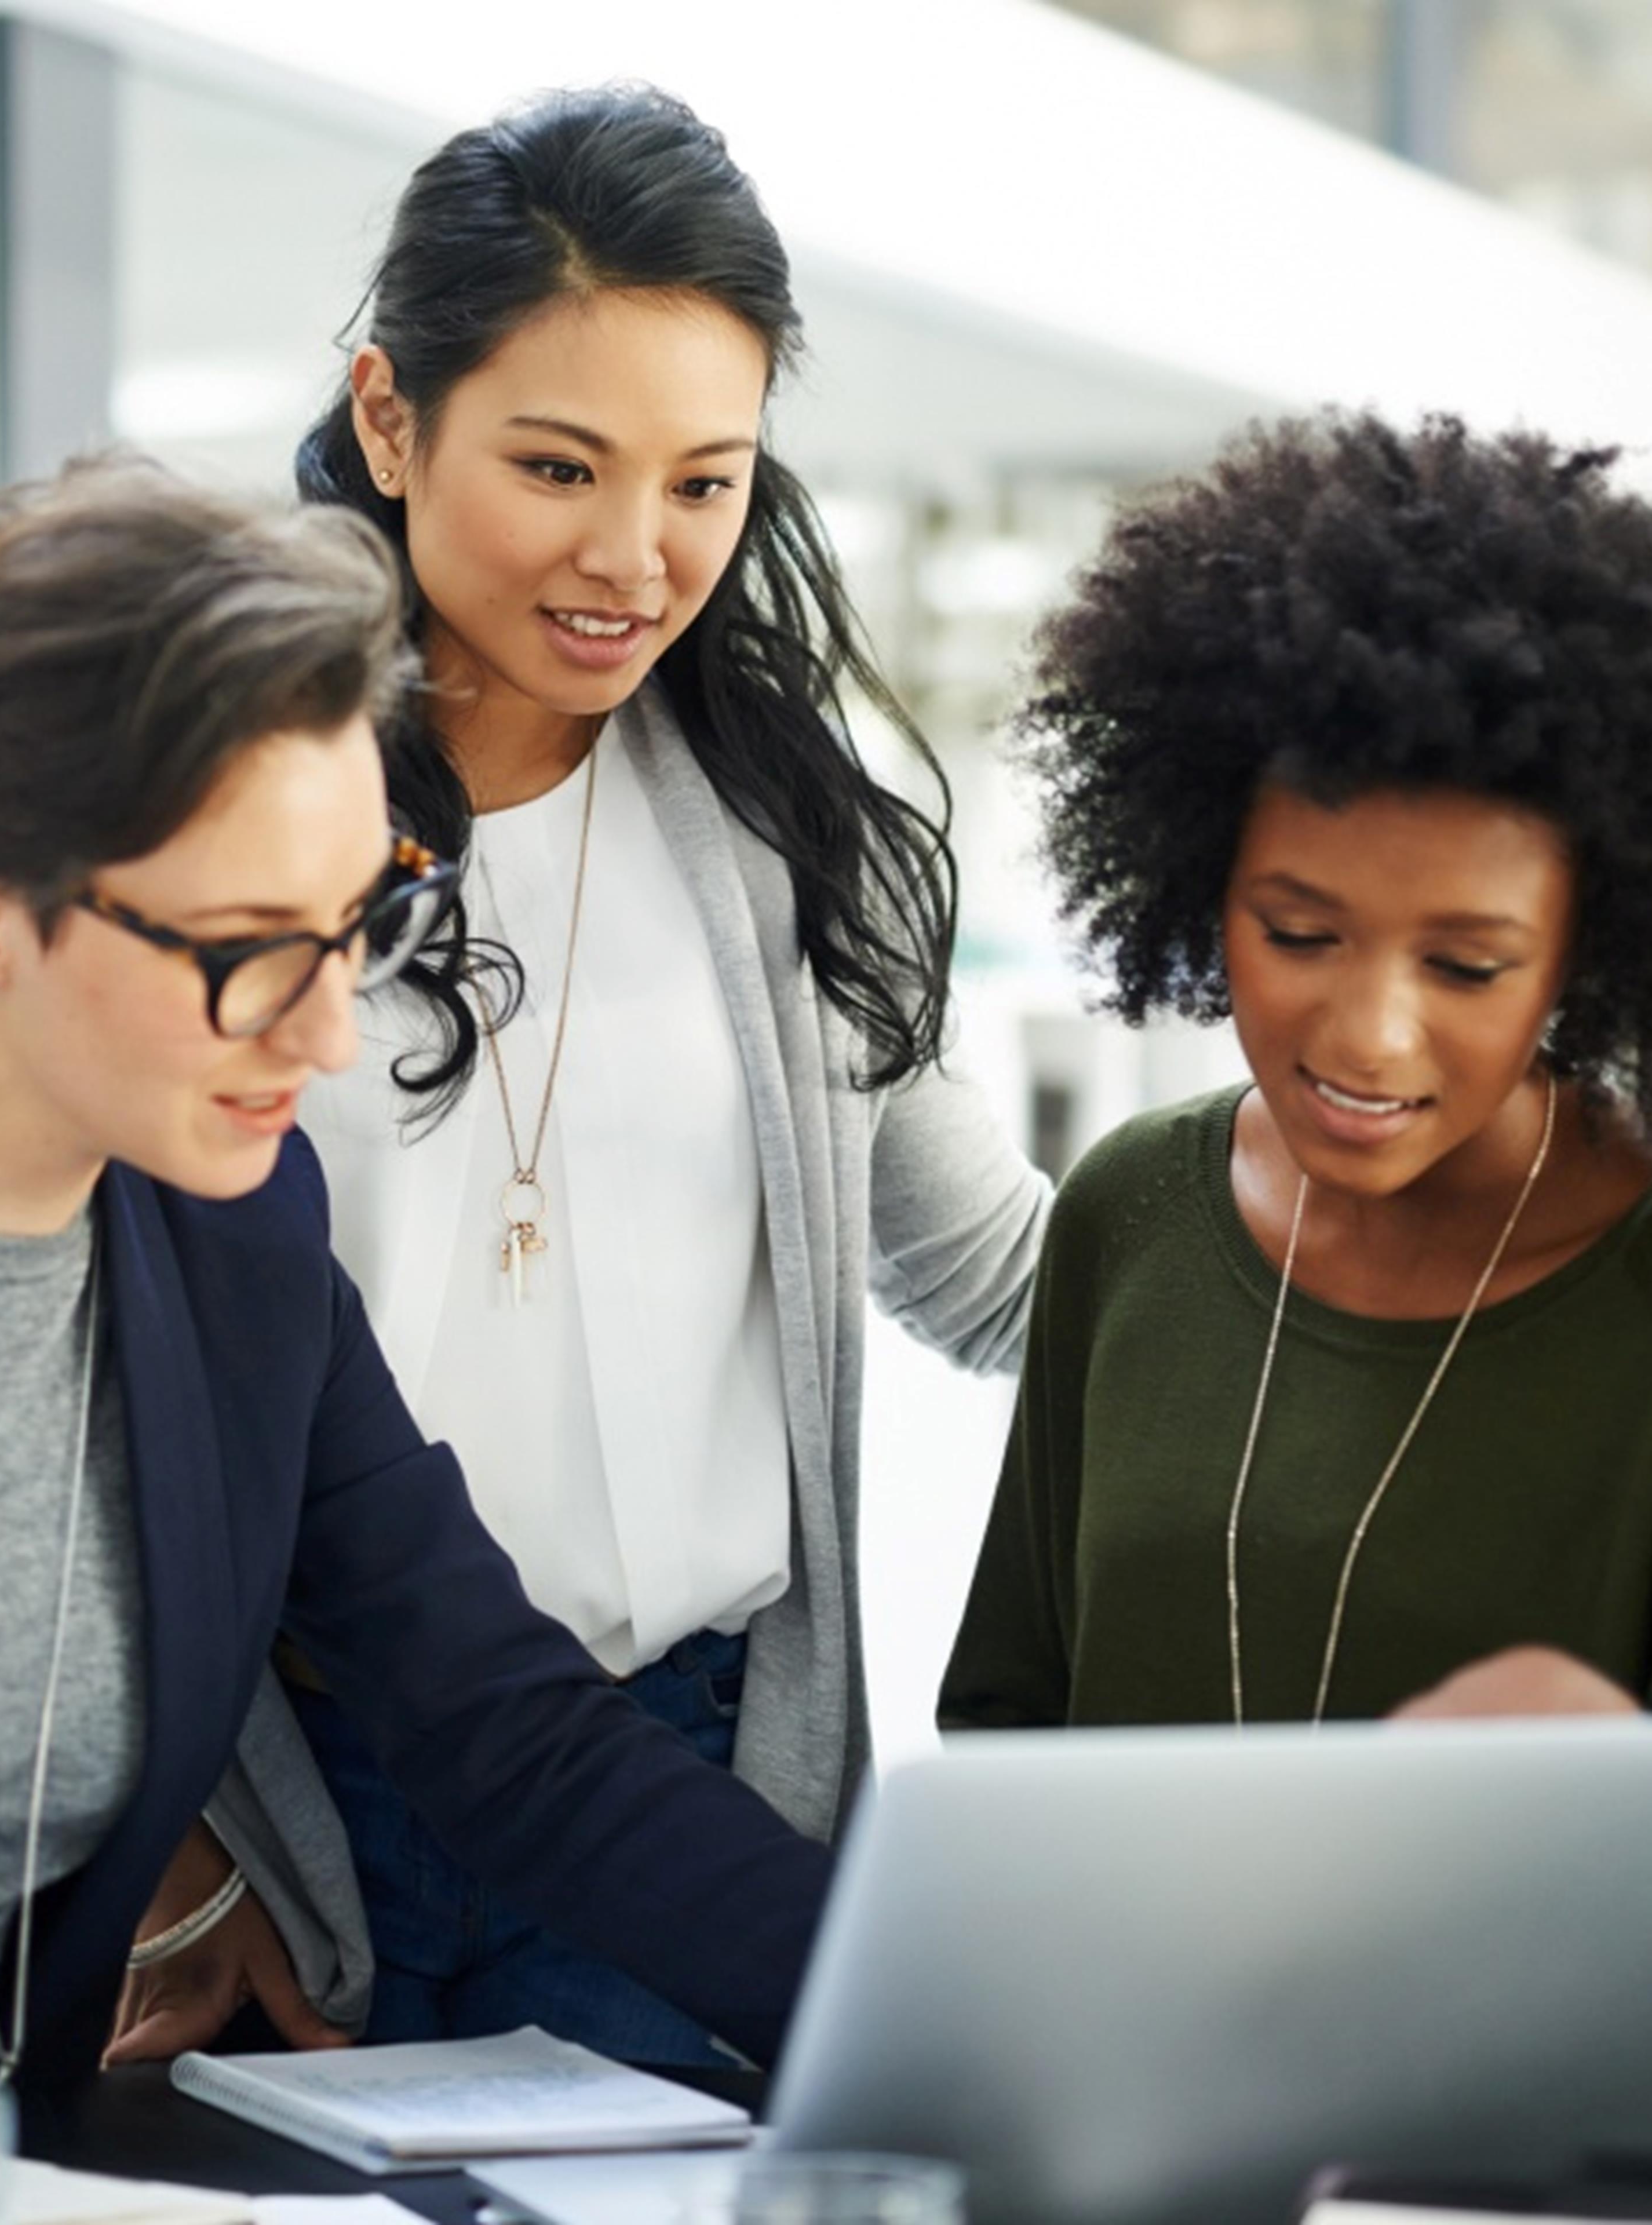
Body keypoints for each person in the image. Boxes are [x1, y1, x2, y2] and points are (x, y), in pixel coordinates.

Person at [0, 459, 834, 2165]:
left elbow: (503, 1732)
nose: (326, 1037)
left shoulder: (235, 1249)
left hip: (2, 2184)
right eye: (244, 953)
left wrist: (967, 2013)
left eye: (355, 927)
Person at [111, 84, 1050, 2067]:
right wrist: (187, 1842)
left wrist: (1408, 1208)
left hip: (688, 1790)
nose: (635, 556)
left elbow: (999, 1277)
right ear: (390, 418)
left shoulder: (795, 835)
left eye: (707, 483)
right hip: (293, 1802)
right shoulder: (201, 814)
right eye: (559, 465)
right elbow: (70, 1358)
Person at [938, 410, 1652, 1733]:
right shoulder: (1130, 1212)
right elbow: (1005, 1724)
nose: (1369, 1035)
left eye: (1468, 967)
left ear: (1585, 954)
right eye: (1300, 934)